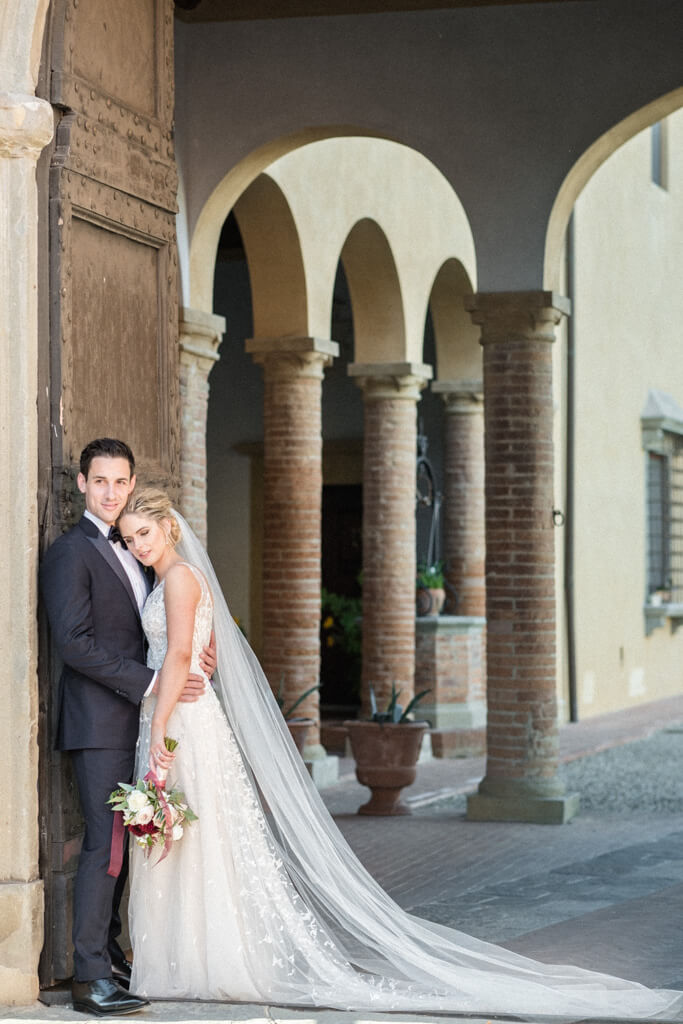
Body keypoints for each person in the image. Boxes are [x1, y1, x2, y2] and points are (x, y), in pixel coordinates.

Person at [118, 486, 683, 1021]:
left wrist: (162, 728)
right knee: (194, 836)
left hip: (181, 720)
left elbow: (179, 659)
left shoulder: (178, 582)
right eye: (130, 538)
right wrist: (177, 692)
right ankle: (186, 960)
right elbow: (202, 654)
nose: (139, 545)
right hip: (182, 713)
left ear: (169, 526)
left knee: (191, 835)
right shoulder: (182, 579)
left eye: (145, 532)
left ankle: (191, 963)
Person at [40, 439, 216, 1017]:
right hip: (101, 722)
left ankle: (111, 958)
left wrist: (191, 663)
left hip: (141, 721)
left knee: (129, 847)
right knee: (105, 847)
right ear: (82, 485)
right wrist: (151, 684)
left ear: (132, 482)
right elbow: (74, 643)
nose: (111, 493)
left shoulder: (141, 550)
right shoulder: (72, 551)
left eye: (120, 482)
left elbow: (161, 630)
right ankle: (90, 979)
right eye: (100, 482)